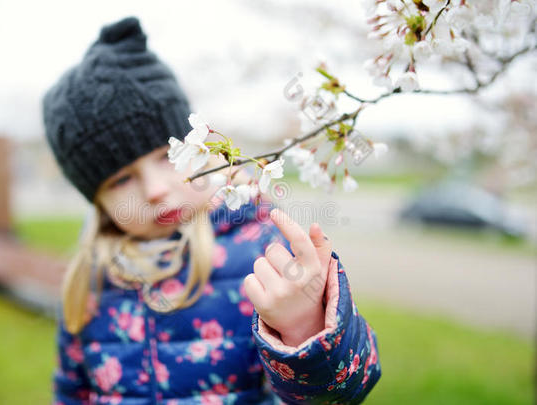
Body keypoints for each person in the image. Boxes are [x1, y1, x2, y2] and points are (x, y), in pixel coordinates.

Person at [42, 16, 381, 405]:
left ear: (200, 149)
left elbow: (344, 390)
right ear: (97, 201)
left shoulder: (262, 253)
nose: (154, 190)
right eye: (121, 180)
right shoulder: (92, 278)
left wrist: (303, 329)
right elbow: (71, 391)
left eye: (167, 156)